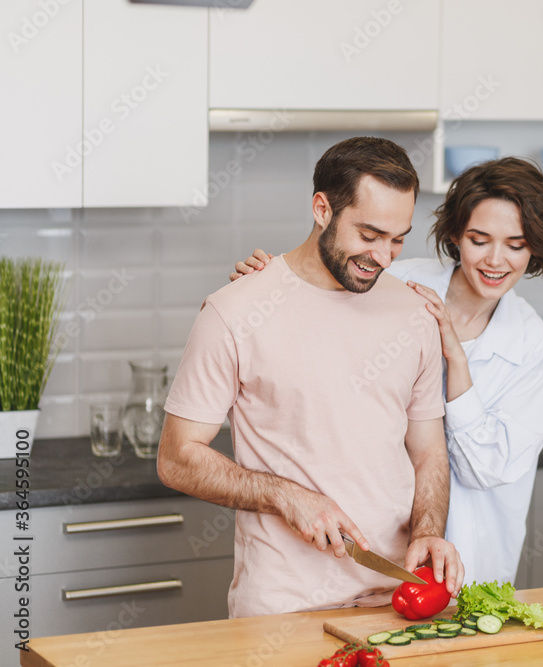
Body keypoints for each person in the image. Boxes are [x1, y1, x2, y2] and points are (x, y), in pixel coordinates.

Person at [158, 136, 463, 619]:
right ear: (322, 208)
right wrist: (285, 495)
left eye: (398, 239)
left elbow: (428, 451)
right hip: (283, 609)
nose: (384, 257)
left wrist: (428, 531)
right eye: (368, 235)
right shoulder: (234, 310)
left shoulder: (415, 314)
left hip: (398, 600)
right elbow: (177, 459)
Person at [232, 156, 543, 585]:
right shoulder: (395, 282)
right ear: (455, 235)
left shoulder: (529, 342)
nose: (496, 260)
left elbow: (486, 469)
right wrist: (268, 283)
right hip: (367, 551)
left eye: (516, 245)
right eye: (479, 240)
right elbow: (315, 297)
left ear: (534, 247)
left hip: (469, 556)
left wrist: (455, 362)